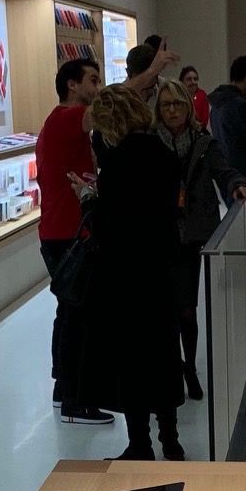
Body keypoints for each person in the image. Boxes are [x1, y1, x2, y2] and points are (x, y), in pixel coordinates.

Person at [85, 87, 185, 460]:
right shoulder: (164, 154)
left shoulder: (117, 162)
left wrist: (89, 201)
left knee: (131, 360)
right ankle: (171, 440)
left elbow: (111, 226)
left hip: (125, 275)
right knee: (162, 354)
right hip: (160, 270)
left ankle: (139, 443)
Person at [153, 78, 246, 400]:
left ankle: (190, 369)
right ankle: (170, 368)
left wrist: (237, 184)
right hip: (158, 234)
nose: (172, 110)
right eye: (166, 104)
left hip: (192, 233)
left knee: (186, 308)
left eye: (178, 104)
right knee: (163, 308)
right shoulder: (148, 143)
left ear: (188, 107)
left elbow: (223, 171)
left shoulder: (202, 142)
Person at [35, 57, 112, 423]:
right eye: (92, 80)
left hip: (63, 232)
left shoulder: (65, 125)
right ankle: (73, 400)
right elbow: (108, 109)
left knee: (70, 312)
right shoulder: (66, 118)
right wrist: (147, 74)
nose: (98, 87)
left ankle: (64, 390)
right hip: (67, 234)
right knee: (78, 315)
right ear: (71, 85)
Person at [179, 64, 211, 130]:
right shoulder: (176, 96)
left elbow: (203, 121)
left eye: (195, 79)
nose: (193, 82)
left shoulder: (202, 95)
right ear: (181, 82)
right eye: (189, 79)